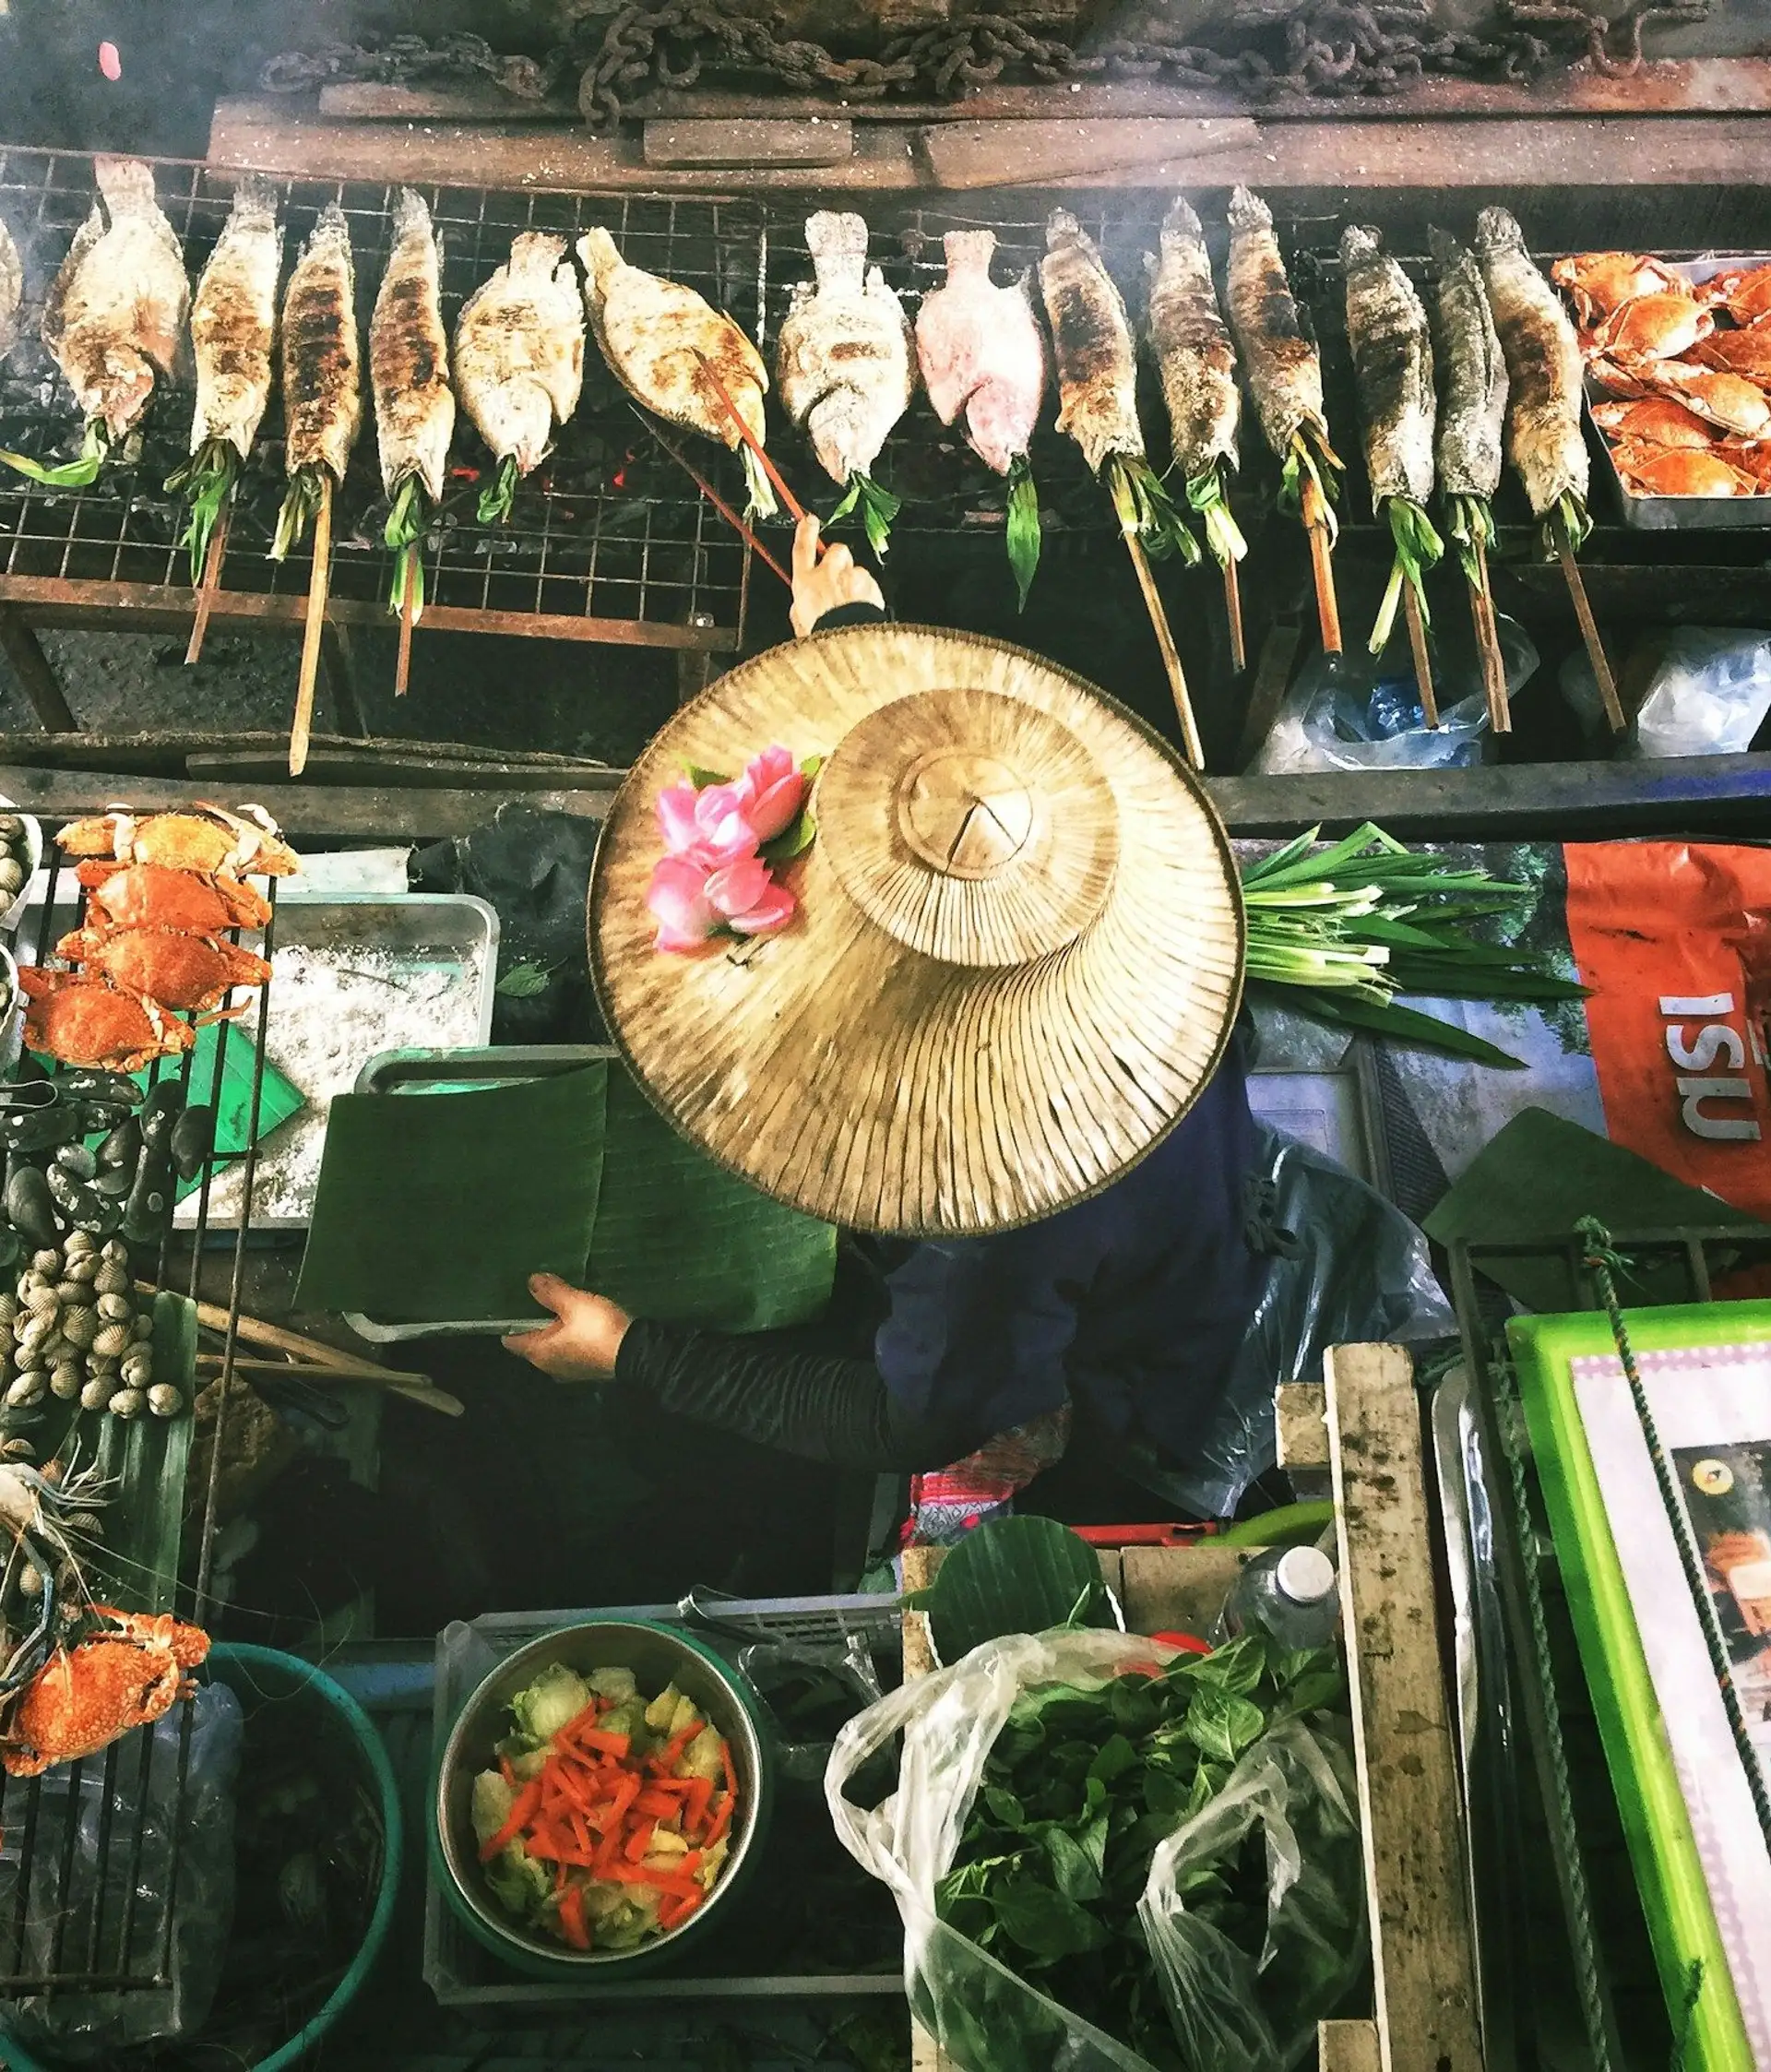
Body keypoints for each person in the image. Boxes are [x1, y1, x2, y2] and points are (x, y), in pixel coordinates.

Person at [505, 516, 1283, 1522]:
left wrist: (632, 1352)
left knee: (686, 1450)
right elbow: (951, 815)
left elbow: (901, 1420)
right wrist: (854, 633)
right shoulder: (1077, 839)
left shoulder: (987, 1211)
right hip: (1175, 1159)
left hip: (1158, 1347)